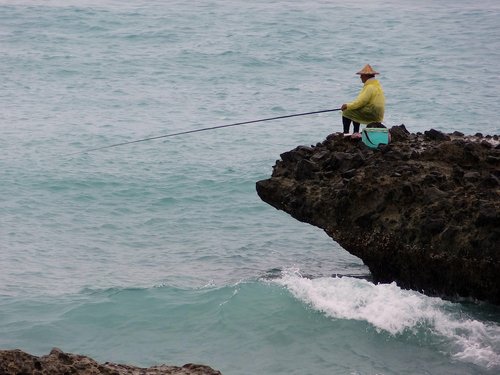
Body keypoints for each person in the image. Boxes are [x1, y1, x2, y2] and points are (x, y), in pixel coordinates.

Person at [340, 64, 385, 134]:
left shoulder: (369, 87)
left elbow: (360, 102)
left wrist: (347, 106)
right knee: (355, 109)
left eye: (362, 75)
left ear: (366, 76)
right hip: (378, 114)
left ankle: (346, 133)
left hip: (372, 112)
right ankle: (356, 132)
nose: (360, 77)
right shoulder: (377, 86)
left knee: (347, 111)